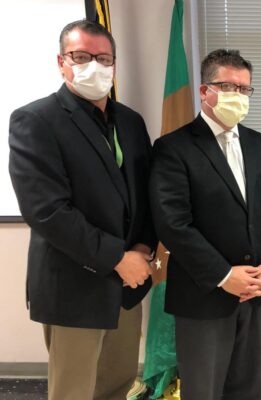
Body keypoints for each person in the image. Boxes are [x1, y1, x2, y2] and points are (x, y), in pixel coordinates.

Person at [8, 20, 156, 400]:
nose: (94, 65)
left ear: (114, 65)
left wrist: (142, 249)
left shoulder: (132, 122)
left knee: (118, 385)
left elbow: (147, 195)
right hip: (75, 286)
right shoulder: (36, 120)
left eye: (103, 58)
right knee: (73, 392)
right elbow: (47, 212)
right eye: (81, 56)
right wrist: (118, 258)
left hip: (128, 286)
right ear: (61, 62)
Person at [149, 48, 261, 400]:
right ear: (204, 91)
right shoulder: (173, 147)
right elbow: (173, 223)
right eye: (227, 86)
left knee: (247, 388)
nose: (237, 96)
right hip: (203, 296)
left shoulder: (260, 145)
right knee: (204, 391)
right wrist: (226, 276)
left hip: (256, 293)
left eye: (244, 89)